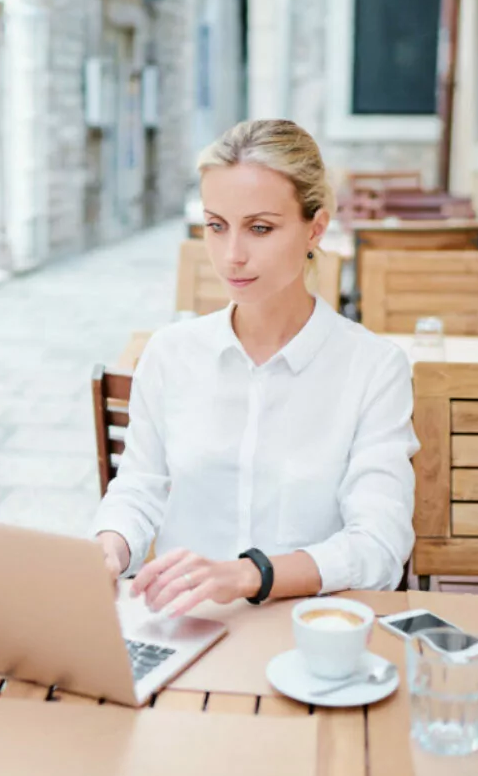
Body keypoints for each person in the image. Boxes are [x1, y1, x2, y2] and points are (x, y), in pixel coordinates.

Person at [90, 119, 419, 618]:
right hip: (183, 625)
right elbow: (138, 490)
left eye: (260, 228)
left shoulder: (373, 369)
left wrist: (249, 575)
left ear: (316, 228)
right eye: (216, 226)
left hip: (311, 632)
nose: (232, 256)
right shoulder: (169, 354)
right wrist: (110, 546)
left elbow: (380, 546)